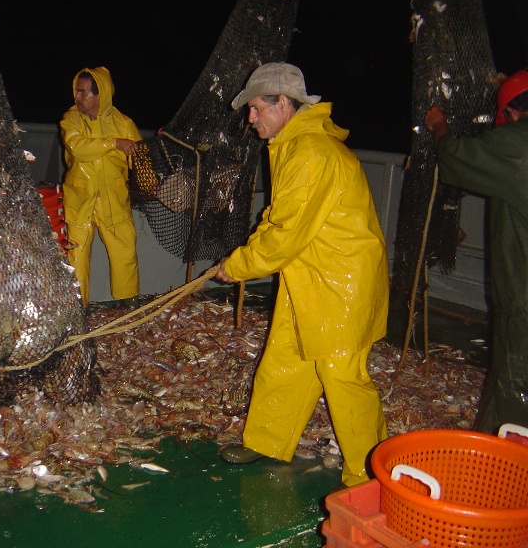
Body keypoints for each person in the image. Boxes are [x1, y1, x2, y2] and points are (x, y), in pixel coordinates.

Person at [215, 63, 389, 487]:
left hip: (341, 283)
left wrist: (236, 266)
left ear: (285, 104)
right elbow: (285, 218)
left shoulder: (311, 152)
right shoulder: (291, 145)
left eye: (257, 108)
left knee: (343, 378)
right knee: (286, 358)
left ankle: (370, 474)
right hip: (310, 276)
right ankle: (268, 439)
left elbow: (285, 235)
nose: (250, 118)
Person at [424, 69, 528, 434]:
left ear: (513, 114)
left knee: (516, 382)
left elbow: (455, 158)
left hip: (525, 299)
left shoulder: (518, 143)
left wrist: (439, 125)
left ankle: (509, 468)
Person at [59, 67, 142, 308]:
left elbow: (140, 161)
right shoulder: (70, 119)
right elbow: (78, 148)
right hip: (79, 201)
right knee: (77, 256)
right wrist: (114, 144)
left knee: (124, 251)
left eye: (83, 92)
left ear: (100, 95)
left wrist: (151, 181)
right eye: (77, 91)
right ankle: (77, 309)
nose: (78, 97)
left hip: (114, 200)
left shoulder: (124, 124)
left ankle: (129, 303)